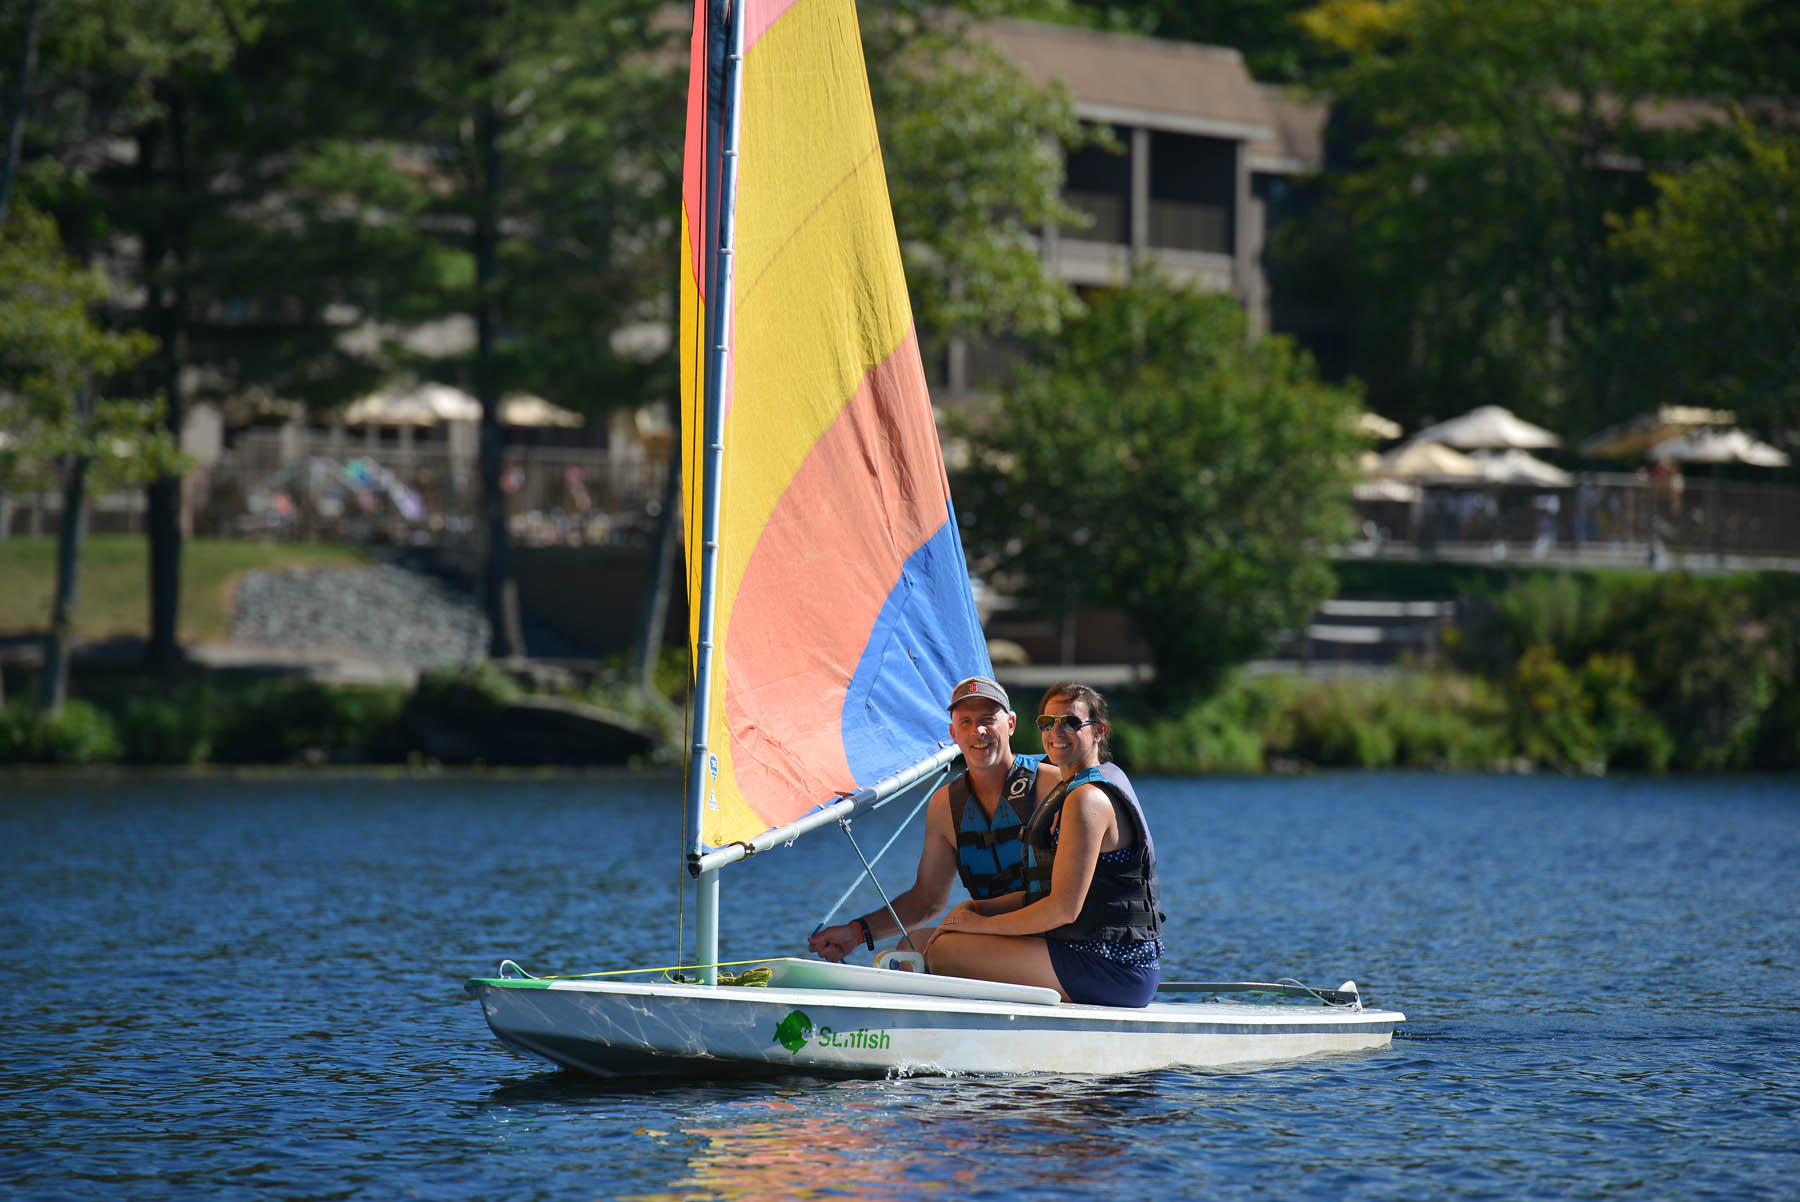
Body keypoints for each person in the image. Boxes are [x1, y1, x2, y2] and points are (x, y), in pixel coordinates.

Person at [926, 681, 1163, 1007]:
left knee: (944, 952)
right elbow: (1050, 892)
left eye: (1071, 723)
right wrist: (981, 908)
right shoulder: (1071, 790)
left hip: (1114, 968)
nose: (1057, 732)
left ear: (1099, 732)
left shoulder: (1087, 799)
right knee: (920, 941)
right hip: (1089, 956)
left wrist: (981, 927)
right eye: (1047, 723)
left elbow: (1063, 909)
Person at [807, 675, 1058, 962]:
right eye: (966, 722)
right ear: (953, 734)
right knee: (909, 948)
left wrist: (973, 917)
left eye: (988, 719)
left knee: (932, 950)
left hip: (1053, 938)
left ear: (1010, 724)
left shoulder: (1050, 783)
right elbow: (926, 901)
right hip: (994, 939)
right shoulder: (946, 805)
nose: (978, 731)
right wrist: (857, 932)